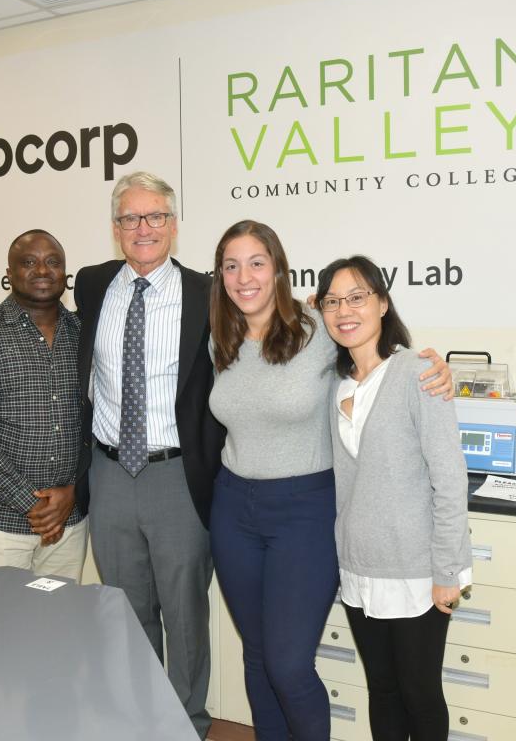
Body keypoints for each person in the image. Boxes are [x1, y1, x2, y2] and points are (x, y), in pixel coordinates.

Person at [73, 171, 223, 740]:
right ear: (116, 229)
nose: (144, 228)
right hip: (108, 471)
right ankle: (140, 721)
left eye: (155, 216)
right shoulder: (91, 285)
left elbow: (265, 340)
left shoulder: (206, 293)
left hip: (176, 476)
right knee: (127, 611)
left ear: (174, 225)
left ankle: (187, 723)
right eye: (131, 218)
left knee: (184, 611)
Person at [315, 255, 472, 741]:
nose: (345, 310)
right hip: (360, 567)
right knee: (381, 690)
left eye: (358, 297)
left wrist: (448, 570)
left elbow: (450, 476)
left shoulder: (417, 372)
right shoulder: (331, 383)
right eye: (332, 301)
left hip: (416, 570)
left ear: (383, 303)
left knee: (420, 693)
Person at [208, 220, 340, 741]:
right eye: (231, 265)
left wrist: (428, 366)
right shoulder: (220, 336)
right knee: (259, 657)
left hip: (305, 510)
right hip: (234, 507)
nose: (244, 277)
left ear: (279, 268)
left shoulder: (319, 328)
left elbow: (382, 355)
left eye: (256, 262)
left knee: (288, 664)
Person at [0, 229, 87, 579]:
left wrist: (73, 490)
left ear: (65, 275)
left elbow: (96, 421)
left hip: (68, 519)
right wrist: (32, 503)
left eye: (53, 262)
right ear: (8, 274)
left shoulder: (84, 334)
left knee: (61, 622)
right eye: (29, 262)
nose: (42, 270)